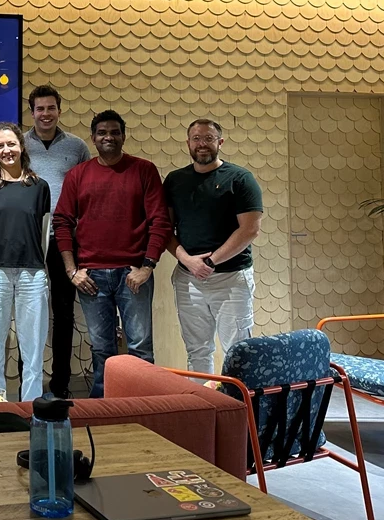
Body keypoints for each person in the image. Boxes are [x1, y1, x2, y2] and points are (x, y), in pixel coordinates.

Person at [53, 110, 171, 398]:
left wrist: (148, 267)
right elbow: (62, 222)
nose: (109, 137)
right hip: (91, 276)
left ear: (123, 136)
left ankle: (145, 406)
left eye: (115, 132)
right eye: (102, 132)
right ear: (93, 138)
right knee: (101, 348)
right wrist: (72, 271)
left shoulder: (144, 170)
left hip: (134, 274)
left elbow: (161, 221)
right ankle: (104, 408)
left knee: (140, 347)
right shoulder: (78, 175)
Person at [163, 119, 263, 374]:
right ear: (188, 143)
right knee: (197, 350)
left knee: (238, 352)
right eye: (196, 139)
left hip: (231, 279)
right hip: (188, 281)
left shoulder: (240, 178)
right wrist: (188, 261)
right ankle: (203, 407)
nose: (202, 144)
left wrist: (210, 262)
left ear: (220, 142)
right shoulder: (175, 180)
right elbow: (164, 229)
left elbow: (250, 229)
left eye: (208, 138)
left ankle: (238, 409)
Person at [0, 122, 51, 401]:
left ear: (21, 146)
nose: (7, 150)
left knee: (32, 348)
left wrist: (38, 264)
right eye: (0, 146)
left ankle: (31, 405)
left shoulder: (39, 187)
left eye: (11, 144)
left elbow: (44, 233)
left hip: (32, 273)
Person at [23, 84, 90, 399]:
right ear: (32, 111)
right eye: (40, 109)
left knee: (63, 314)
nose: (45, 114)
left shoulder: (76, 147)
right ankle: (30, 382)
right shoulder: (19, 145)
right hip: (29, 241)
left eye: (51, 108)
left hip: (66, 241)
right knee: (29, 311)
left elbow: (88, 193)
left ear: (59, 110)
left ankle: (61, 384)